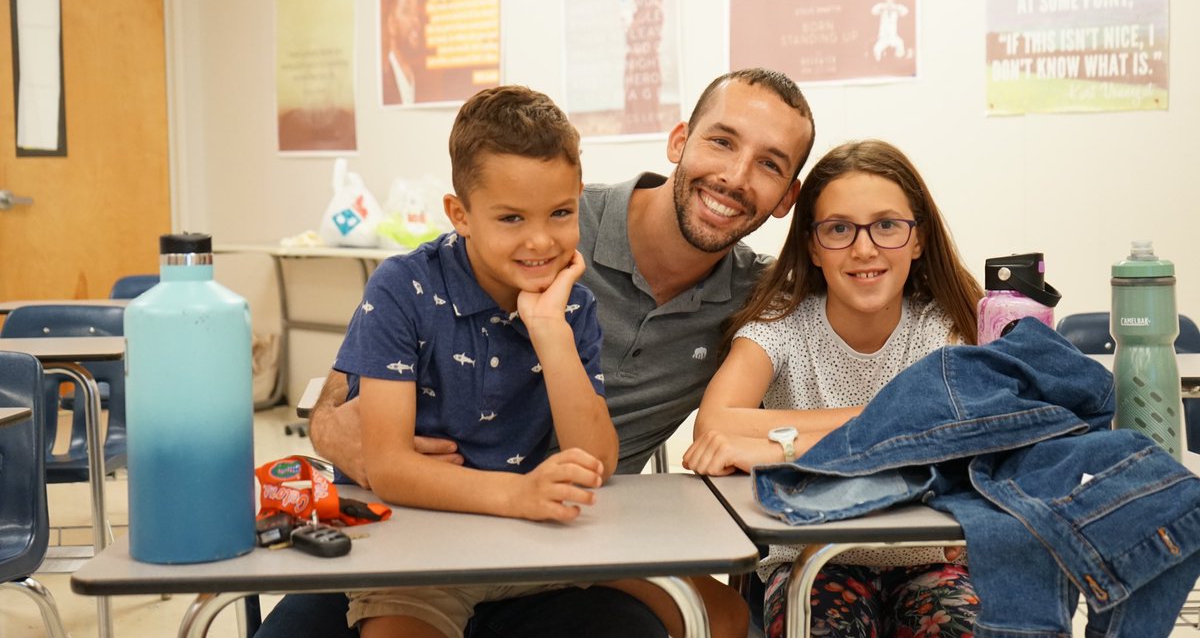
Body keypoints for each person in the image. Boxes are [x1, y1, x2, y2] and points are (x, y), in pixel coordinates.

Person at [257, 68, 817, 638]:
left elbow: (598, 458)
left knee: (727, 621)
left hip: (571, 525)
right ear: (680, 141)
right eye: (721, 141)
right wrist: (337, 430)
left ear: (787, 198)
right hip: (427, 521)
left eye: (770, 163)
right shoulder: (533, 228)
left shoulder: (754, 297)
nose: (735, 174)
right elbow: (351, 399)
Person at [683, 139, 983, 638]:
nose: (864, 248)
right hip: (809, 562)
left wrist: (781, 449)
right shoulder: (780, 325)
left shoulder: (944, 326)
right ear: (813, 246)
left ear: (918, 240)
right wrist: (895, 428)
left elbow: (948, 434)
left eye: (887, 225)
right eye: (839, 229)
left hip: (930, 558)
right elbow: (714, 424)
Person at [383, 0, 421, 105]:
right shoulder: (383, 78)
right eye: (407, 11)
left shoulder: (420, 81)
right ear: (391, 23)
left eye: (417, 13)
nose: (416, 20)